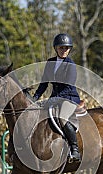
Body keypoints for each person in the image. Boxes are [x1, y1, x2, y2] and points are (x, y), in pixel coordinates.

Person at [33, 33, 81, 163]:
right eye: (61, 48)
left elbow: (68, 85)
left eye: (67, 48)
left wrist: (53, 99)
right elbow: (44, 82)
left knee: (63, 118)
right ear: (56, 48)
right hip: (55, 97)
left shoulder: (70, 64)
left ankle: (74, 149)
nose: (64, 50)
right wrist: (35, 97)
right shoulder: (50, 62)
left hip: (69, 97)